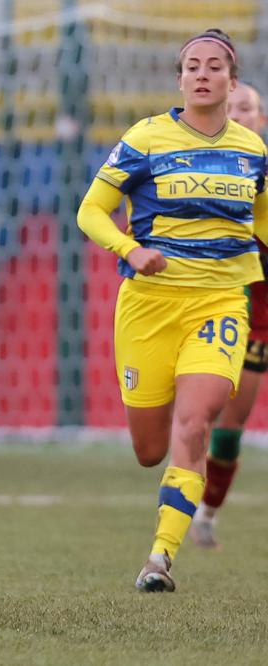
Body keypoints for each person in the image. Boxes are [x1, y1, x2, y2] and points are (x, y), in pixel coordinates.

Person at [77, 29, 268, 592]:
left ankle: (159, 559)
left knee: (196, 422)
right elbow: (91, 212)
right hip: (148, 308)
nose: (203, 74)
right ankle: (171, 523)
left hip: (221, 303)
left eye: (215, 66)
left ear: (232, 82)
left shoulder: (255, 151)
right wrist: (130, 250)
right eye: (192, 66)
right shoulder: (146, 138)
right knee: (150, 449)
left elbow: (262, 223)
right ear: (180, 79)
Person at [190, 82, 268, 549]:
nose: (240, 114)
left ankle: (208, 514)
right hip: (212, 304)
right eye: (233, 107)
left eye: (249, 108)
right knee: (205, 414)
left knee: (230, 424)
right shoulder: (199, 170)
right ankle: (191, 507)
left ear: (260, 120)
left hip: (258, 314)